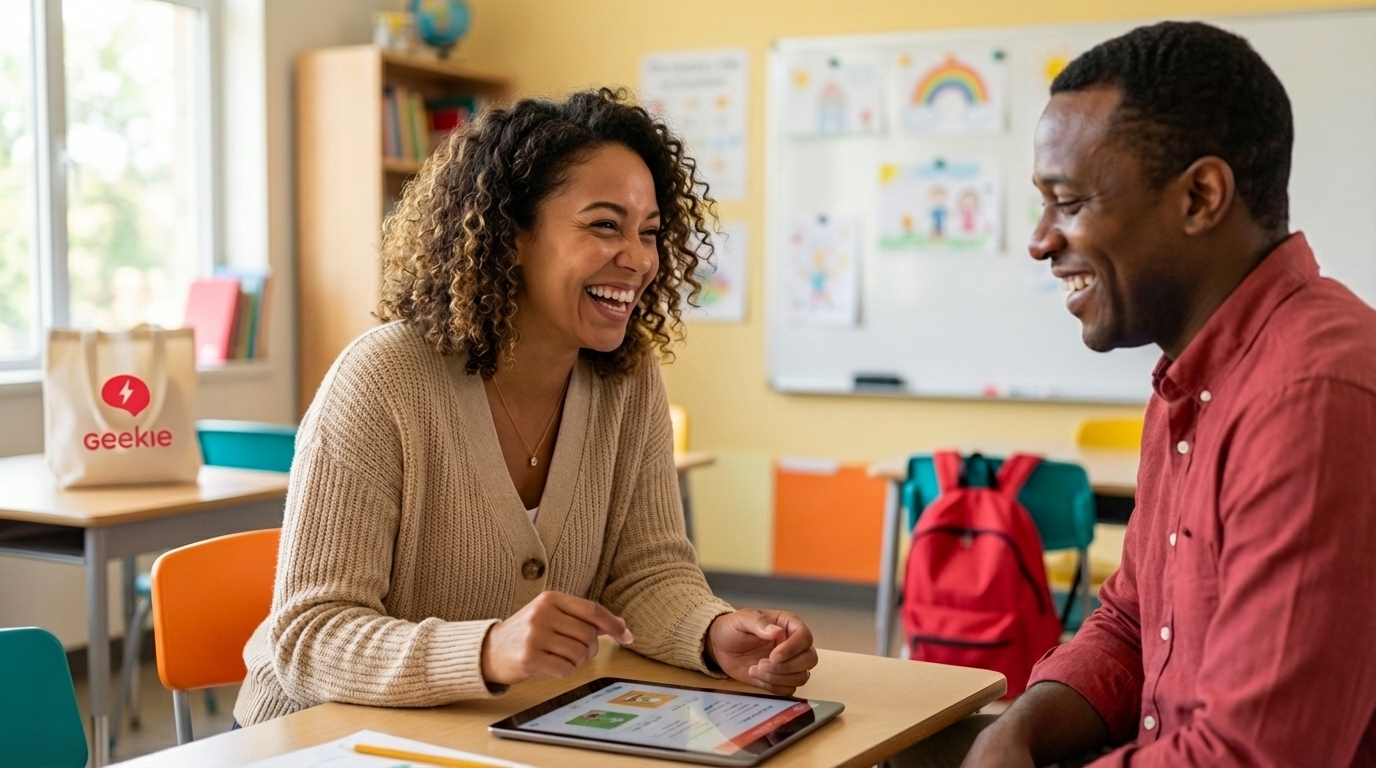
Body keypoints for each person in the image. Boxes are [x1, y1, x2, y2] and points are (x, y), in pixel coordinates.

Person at [232, 88, 818, 727]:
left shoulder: (628, 377)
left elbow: (645, 574)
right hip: (316, 736)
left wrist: (713, 631)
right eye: (604, 225)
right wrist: (486, 650)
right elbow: (310, 636)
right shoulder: (382, 379)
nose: (640, 258)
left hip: (495, 731)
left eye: (649, 232)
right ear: (511, 236)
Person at [896, 21, 1376, 768]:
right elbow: (1132, 618)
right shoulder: (1191, 377)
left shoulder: (1313, 396)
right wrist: (1016, 730)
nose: (1040, 239)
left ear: (1200, 197)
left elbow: (1258, 757)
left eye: (1069, 201)